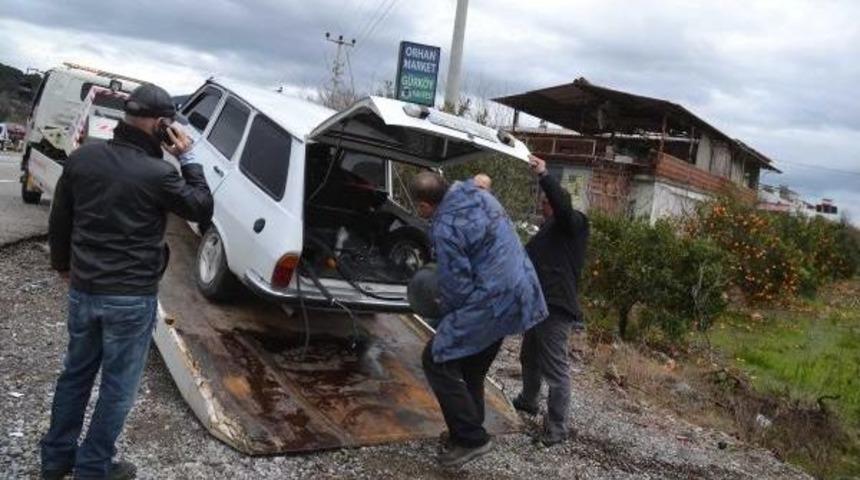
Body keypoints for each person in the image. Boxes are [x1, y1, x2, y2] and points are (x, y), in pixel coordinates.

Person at [41, 84, 213, 480]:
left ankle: (55, 460)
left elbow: (60, 220)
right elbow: (202, 208)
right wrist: (188, 156)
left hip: (84, 290)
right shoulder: (160, 174)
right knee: (117, 389)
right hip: (131, 299)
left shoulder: (83, 158)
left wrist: (63, 266)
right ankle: (93, 468)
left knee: (75, 375)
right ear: (161, 124)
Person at [410, 171, 547, 468]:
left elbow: (457, 287)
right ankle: (468, 427)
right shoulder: (479, 195)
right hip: (520, 290)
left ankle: (472, 439)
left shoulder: (445, 226)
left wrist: (442, 311)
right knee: (472, 365)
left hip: (492, 299)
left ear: (423, 206)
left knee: (436, 357)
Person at [513, 155, 589, 446]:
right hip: (537, 303)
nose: (542, 205)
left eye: (546, 202)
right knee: (529, 356)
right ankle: (529, 400)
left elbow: (562, 205)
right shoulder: (546, 231)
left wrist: (544, 175)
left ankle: (557, 428)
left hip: (556, 307)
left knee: (556, 370)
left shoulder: (574, 223)